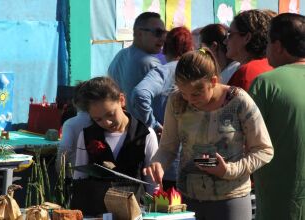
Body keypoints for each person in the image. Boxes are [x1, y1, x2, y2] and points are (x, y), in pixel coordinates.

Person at [143, 48, 273, 220]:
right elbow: (167, 147)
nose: (189, 100)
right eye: (183, 92)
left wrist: (229, 170)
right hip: (186, 200)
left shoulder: (238, 101)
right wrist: (158, 163)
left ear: (213, 81)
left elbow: (264, 150)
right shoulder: (176, 101)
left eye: (196, 93)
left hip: (231, 199)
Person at [71, 77, 158, 216]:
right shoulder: (87, 135)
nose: (107, 122)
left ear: (122, 100)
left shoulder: (145, 134)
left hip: (136, 212)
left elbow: (152, 183)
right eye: (97, 119)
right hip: (98, 213)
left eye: (111, 114)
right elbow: (80, 179)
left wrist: (154, 211)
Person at [248, 13, 305, 220]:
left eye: (268, 43)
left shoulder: (265, 84)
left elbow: (241, 140)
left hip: (280, 203)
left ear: (278, 46)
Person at [132, 26, 193, 190]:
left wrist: (153, 124)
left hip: (169, 162)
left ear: (166, 47)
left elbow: (139, 93)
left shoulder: (164, 71)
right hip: (195, 165)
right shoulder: (195, 71)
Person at [108, 12, 167, 115]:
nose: (163, 38)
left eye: (164, 33)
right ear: (139, 33)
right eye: (158, 33)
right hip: (150, 127)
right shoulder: (149, 63)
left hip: (129, 126)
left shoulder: (120, 56)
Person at [225, 9, 273, 91]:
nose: (225, 41)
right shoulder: (273, 66)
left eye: (230, 34)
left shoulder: (245, 74)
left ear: (247, 38)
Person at [55, 82, 92, 175]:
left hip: (75, 176)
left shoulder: (70, 124)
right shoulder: (99, 122)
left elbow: (64, 149)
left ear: (74, 102)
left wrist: (59, 172)